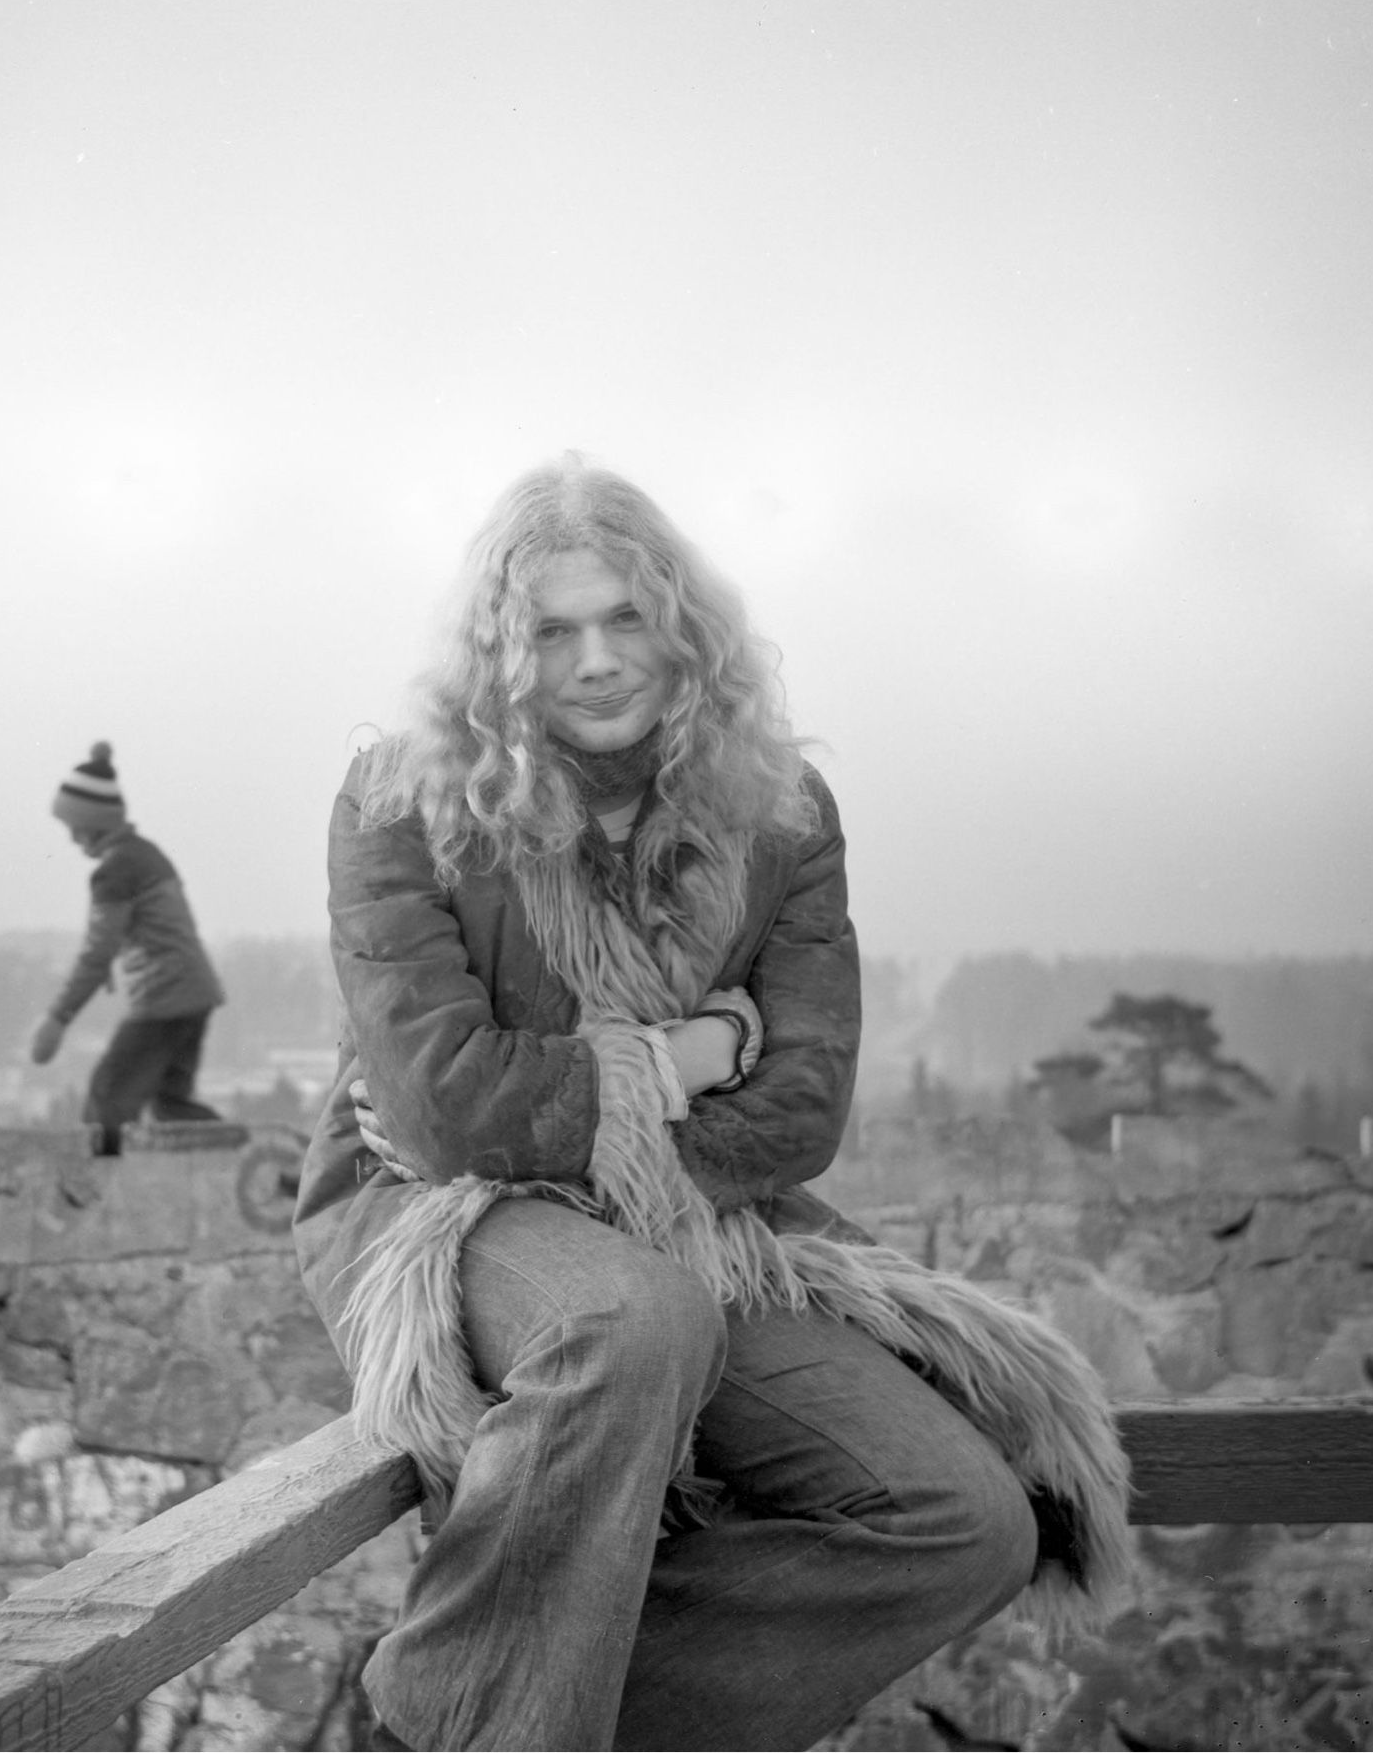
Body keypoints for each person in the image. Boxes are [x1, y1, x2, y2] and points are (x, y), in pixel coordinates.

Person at [291, 460, 1132, 1752]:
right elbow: (451, 1114)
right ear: (502, 655)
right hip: (441, 1223)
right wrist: (682, 1059)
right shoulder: (405, 804)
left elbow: (799, 1114)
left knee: (963, 1515)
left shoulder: (782, 817)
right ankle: (461, 1726)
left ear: (683, 627)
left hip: (704, 1226)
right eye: (553, 632)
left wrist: (590, 1109)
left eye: (625, 618)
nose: (595, 661)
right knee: (627, 1319)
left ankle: (521, 1718)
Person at [30, 742, 226, 1153]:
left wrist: (57, 1017)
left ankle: (97, 1195)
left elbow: (95, 952)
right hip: (193, 992)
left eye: (72, 827)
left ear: (91, 824)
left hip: (164, 997)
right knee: (171, 1108)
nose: (70, 838)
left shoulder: (115, 871)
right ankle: (252, 1161)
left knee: (107, 1098)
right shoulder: (145, 854)